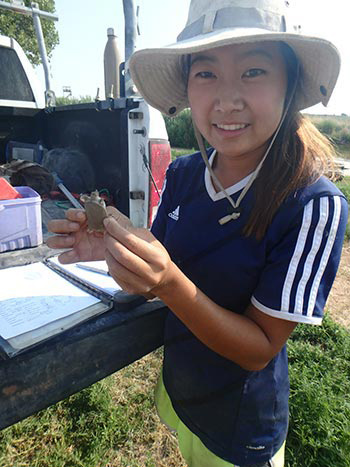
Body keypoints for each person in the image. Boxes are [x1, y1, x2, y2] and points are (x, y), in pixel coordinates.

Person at [47, 1, 348, 466]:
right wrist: (113, 246)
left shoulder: (312, 204)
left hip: (240, 428)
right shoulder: (187, 173)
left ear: (290, 85)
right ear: (187, 86)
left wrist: (168, 283)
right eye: (206, 74)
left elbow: (259, 349)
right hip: (183, 392)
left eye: (253, 71)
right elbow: (163, 267)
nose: (227, 99)